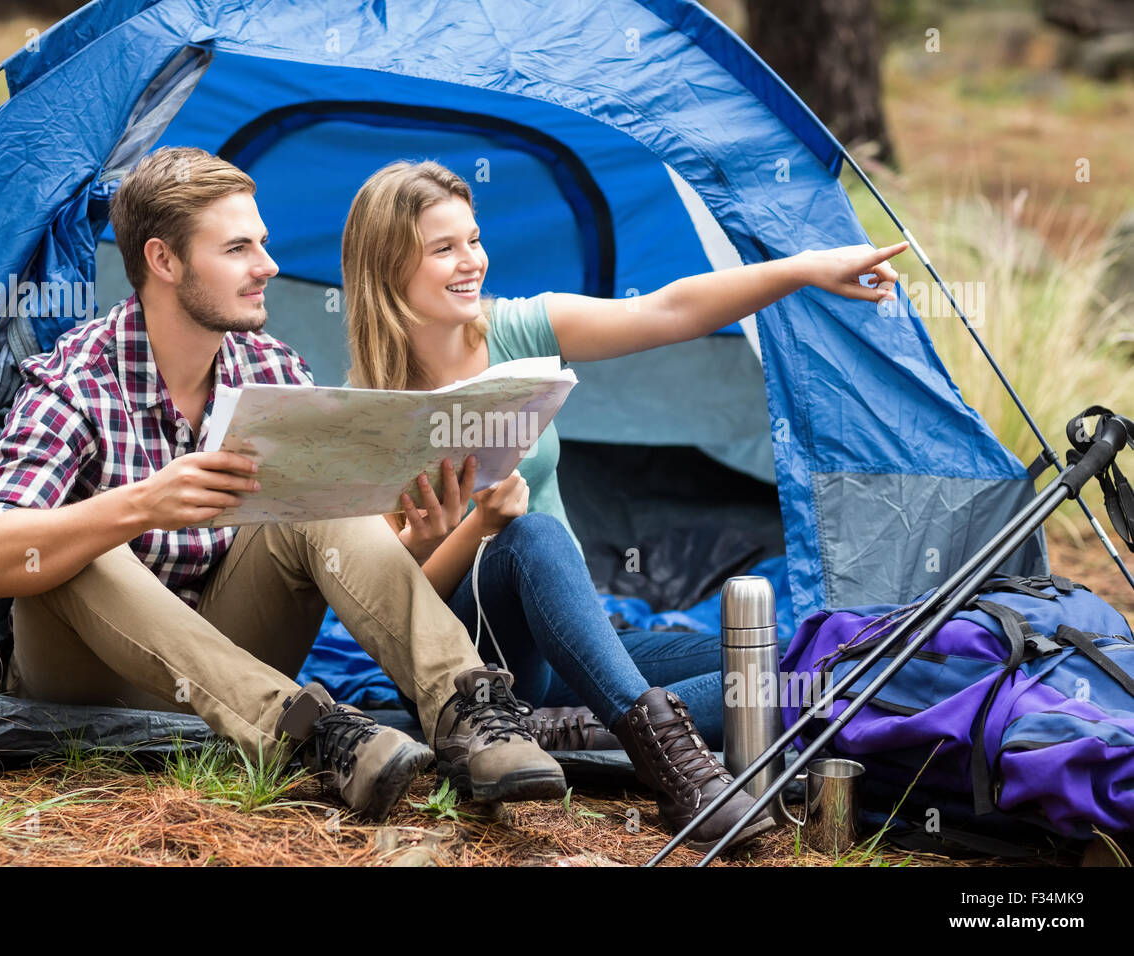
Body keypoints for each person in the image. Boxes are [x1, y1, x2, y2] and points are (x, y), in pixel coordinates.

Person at [0, 147, 571, 822]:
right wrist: (139, 506)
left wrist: (421, 536)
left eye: (263, 244)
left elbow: (346, 557)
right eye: (239, 248)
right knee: (81, 540)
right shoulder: (73, 382)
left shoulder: (272, 372)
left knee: (315, 496)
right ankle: (308, 734)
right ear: (164, 261)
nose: (268, 266)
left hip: (232, 652)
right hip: (90, 679)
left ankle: (468, 711)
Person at [342, 159, 906, 845]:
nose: (473, 262)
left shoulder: (516, 331)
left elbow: (663, 310)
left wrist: (803, 269)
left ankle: (577, 725)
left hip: (563, 647)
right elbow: (392, 613)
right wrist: (476, 528)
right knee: (533, 538)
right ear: (388, 265)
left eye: (475, 239)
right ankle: (673, 765)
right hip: (465, 667)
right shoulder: (367, 414)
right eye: (444, 248)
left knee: (788, 670)